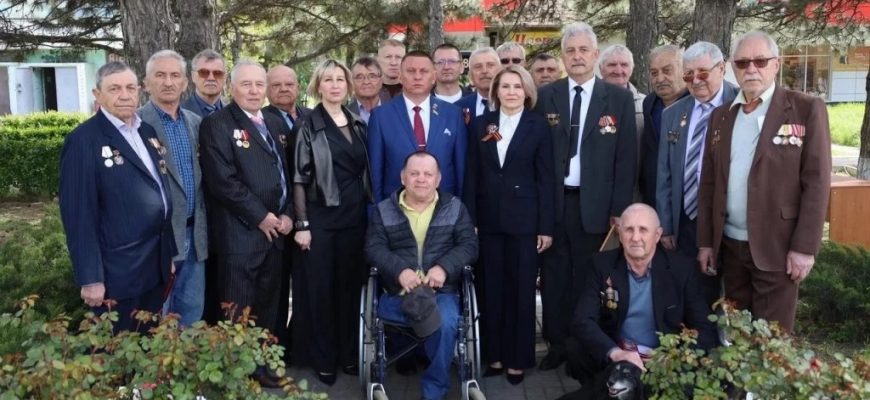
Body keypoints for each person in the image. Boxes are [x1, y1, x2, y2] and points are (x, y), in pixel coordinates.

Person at [697, 31, 831, 333]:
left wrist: (805, 248)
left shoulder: (805, 109)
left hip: (777, 248)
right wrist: (706, 241)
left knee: (772, 340)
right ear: (733, 67)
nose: (751, 69)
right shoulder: (721, 116)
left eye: (760, 61)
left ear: (776, 64)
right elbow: (708, 184)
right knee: (740, 337)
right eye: (743, 63)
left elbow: (817, 183)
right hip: (730, 246)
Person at [534, 22, 637, 371]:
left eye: (583, 50)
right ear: (563, 57)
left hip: (597, 207)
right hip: (555, 203)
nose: (577, 56)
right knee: (554, 277)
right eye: (570, 51)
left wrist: (619, 209)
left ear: (595, 55)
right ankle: (557, 343)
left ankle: (586, 347)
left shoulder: (618, 98)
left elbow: (625, 159)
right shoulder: (546, 96)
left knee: (589, 279)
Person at [59, 61, 175, 333]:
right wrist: (90, 277)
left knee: (148, 344)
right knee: (116, 350)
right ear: (97, 94)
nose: (124, 95)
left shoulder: (146, 132)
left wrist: (167, 254)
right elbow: (78, 214)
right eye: (114, 89)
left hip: (154, 266)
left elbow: (160, 193)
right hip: (117, 275)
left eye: (130, 88)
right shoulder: (83, 140)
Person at [198, 60, 293, 388]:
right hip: (240, 236)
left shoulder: (273, 121)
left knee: (268, 305)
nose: (254, 91)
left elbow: (286, 175)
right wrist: (260, 216)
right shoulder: (217, 124)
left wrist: (288, 213)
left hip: (275, 234)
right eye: (246, 84)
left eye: (259, 84)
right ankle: (236, 371)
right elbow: (223, 181)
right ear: (231, 87)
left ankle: (262, 366)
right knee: (237, 309)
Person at [464, 66, 555, 384]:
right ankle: (495, 357)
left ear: (527, 91)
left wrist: (545, 226)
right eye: (505, 86)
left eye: (517, 86)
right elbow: (472, 174)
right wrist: (471, 219)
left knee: (521, 292)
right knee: (490, 290)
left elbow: (546, 178)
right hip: (488, 221)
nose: (512, 92)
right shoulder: (481, 124)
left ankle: (518, 360)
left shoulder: (538, 125)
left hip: (525, 223)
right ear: (496, 91)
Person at [563, 203, 716, 391]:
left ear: (657, 235)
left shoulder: (682, 268)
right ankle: (603, 389)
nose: (635, 238)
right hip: (619, 357)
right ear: (620, 234)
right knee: (575, 347)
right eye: (629, 230)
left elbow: (704, 328)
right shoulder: (602, 264)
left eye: (643, 230)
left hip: (664, 361)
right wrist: (616, 353)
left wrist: (674, 358)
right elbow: (582, 320)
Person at [365, 151, 478, 400]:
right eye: (414, 173)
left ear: (438, 179)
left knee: (445, 322)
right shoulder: (384, 210)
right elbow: (373, 248)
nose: (421, 179)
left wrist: (444, 268)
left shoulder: (455, 207)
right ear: (403, 177)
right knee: (415, 320)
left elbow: (470, 245)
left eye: (428, 174)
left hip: (440, 293)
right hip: (397, 294)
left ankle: (434, 391)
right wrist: (399, 271)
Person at [289, 59, 372, 385]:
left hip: (355, 218)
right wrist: (302, 225)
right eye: (328, 80)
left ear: (348, 85)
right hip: (320, 220)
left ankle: (348, 355)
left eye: (340, 79)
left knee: (350, 289)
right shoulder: (307, 125)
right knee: (321, 292)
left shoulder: (357, 123)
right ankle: (323, 359)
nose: (335, 85)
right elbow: (298, 178)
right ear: (318, 86)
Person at [655, 41, 738, 307]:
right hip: (687, 221)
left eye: (703, 73)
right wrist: (666, 224)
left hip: (729, 220)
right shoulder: (673, 114)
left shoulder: (742, 104)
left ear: (721, 68)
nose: (696, 81)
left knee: (733, 297)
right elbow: (664, 174)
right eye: (688, 75)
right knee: (693, 296)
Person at [137, 50, 208, 327]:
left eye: (175, 75)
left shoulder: (196, 123)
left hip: (195, 236)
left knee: (191, 315)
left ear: (185, 83)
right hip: (159, 240)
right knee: (157, 319)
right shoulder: (136, 125)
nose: (168, 82)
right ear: (146, 83)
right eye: (160, 75)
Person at [367, 50, 467, 202]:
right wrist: (378, 210)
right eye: (411, 71)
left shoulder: (453, 114)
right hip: (396, 205)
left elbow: (460, 166)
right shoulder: (380, 116)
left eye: (424, 71)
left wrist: (459, 206)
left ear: (434, 77)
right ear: (400, 76)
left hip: (444, 204)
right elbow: (375, 170)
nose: (417, 76)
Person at [640, 45, 688, 207]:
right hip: (653, 197)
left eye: (667, 71)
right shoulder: (649, 104)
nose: (660, 79)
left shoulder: (697, 104)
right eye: (654, 73)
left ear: (684, 70)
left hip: (685, 201)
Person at [455, 47, 502, 121]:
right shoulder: (458, 108)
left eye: (490, 65)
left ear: (500, 71)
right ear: (470, 76)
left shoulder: (514, 104)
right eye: (478, 67)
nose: (484, 71)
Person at [263, 64, 312, 132]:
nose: (284, 89)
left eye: (289, 84)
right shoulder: (260, 120)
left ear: (298, 89)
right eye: (276, 85)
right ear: (266, 90)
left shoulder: (313, 116)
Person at [182, 49, 227, 117]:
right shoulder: (177, 113)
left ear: (225, 78)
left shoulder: (235, 115)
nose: (211, 78)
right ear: (193, 76)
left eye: (217, 73)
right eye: (204, 72)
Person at [348, 56, 390, 123]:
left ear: (381, 81)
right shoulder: (345, 114)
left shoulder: (397, 110)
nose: (366, 82)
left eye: (372, 77)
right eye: (359, 77)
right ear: (352, 82)